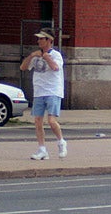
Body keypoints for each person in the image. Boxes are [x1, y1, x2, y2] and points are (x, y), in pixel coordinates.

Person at [19, 27, 67, 160]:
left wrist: (47, 57)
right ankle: (42, 149)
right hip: (39, 92)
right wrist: (31, 56)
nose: (39, 41)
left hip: (53, 91)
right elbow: (23, 67)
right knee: (37, 121)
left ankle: (61, 141)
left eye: (41, 38)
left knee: (51, 121)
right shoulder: (36, 55)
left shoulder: (56, 55)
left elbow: (56, 68)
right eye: (38, 38)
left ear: (49, 40)